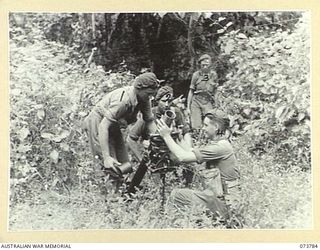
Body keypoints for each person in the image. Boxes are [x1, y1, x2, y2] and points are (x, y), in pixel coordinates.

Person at [156, 109, 240, 220]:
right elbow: (190, 151)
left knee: (177, 195)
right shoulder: (220, 144)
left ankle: (170, 224)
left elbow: (183, 157)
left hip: (226, 206)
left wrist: (166, 136)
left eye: (206, 125)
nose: (203, 128)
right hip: (221, 201)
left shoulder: (220, 147)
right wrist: (176, 137)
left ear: (215, 127)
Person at [82, 72, 159, 180]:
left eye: (153, 94)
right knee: (109, 164)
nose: (151, 97)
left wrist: (159, 138)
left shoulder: (144, 99)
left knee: (124, 163)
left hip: (113, 124)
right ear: (139, 88)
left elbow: (149, 121)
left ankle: (122, 190)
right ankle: (107, 192)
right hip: (98, 122)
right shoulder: (123, 101)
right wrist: (107, 157)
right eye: (149, 94)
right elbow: (103, 127)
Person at [127, 85, 192, 162]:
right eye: (164, 101)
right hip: (154, 156)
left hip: (173, 153)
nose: (167, 104)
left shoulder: (176, 112)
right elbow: (130, 139)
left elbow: (186, 132)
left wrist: (189, 151)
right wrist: (141, 159)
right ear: (157, 101)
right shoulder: (148, 115)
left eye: (170, 101)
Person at [186, 54, 219, 129]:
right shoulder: (196, 75)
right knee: (196, 125)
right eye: (203, 65)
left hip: (207, 101)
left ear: (210, 65)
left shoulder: (213, 75)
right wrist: (188, 107)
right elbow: (191, 91)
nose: (204, 67)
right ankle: (197, 138)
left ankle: (207, 139)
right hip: (196, 101)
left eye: (207, 65)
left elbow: (216, 91)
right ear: (200, 65)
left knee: (210, 122)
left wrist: (216, 105)